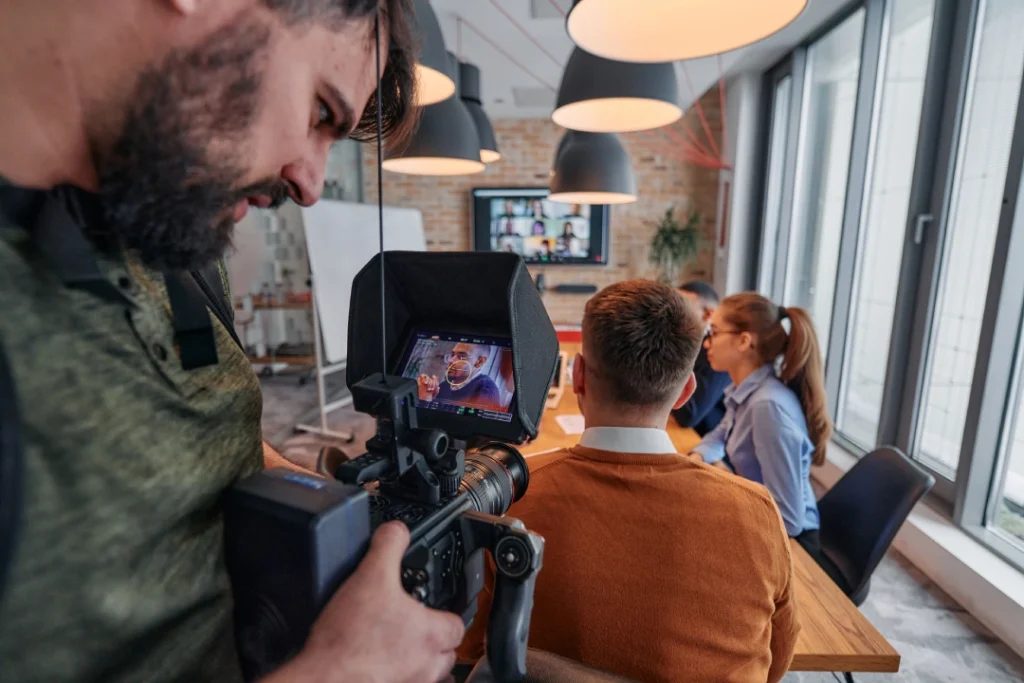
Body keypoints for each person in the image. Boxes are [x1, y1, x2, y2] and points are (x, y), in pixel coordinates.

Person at [0, 1, 465, 682]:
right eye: (320, 112)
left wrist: (333, 511)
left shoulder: (170, 217)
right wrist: (343, 672)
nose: (309, 183)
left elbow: (217, 443)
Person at [457, 280, 799, 683]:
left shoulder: (510, 498)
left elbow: (472, 654)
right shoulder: (757, 512)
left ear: (578, 376)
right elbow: (777, 661)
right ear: (686, 390)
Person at [689, 292, 832, 554]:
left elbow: (788, 521)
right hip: (763, 520)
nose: (706, 343)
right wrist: (698, 457)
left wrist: (727, 478)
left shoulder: (767, 407)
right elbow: (722, 433)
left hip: (794, 547)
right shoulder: (747, 389)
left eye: (714, 332)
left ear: (744, 341)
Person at [672, 281, 730, 435]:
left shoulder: (717, 353)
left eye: (683, 308)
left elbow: (688, 415)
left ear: (708, 314)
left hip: (704, 443)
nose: (673, 314)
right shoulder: (687, 341)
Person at [417, 342, 503, 411]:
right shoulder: (446, 384)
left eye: (461, 356)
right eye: (452, 355)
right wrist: (428, 398)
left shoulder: (486, 390)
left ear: (479, 362)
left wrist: (425, 401)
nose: (451, 360)